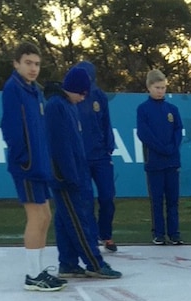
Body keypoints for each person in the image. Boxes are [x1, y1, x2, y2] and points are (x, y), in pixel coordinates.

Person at [45, 66, 122, 280]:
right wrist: (70, 176)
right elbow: (59, 147)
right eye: (82, 93)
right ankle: (94, 262)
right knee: (79, 220)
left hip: (74, 171)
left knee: (64, 220)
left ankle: (68, 263)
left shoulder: (68, 104)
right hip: (67, 177)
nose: (83, 98)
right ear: (74, 89)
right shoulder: (56, 107)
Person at [1, 42, 65, 291]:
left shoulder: (34, 90)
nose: (33, 68)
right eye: (28, 63)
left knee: (46, 216)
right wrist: (24, 159)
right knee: (36, 216)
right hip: (26, 166)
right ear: (16, 63)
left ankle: (39, 270)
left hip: (39, 165)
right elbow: (11, 130)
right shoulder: (12, 89)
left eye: (37, 64)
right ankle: (32, 275)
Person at [75, 61, 118, 253]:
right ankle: (90, 238)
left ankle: (106, 235)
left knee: (107, 197)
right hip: (81, 158)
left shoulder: (99, 95)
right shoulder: (71, 96)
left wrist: (109, 147)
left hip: (101, 156)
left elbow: (106, 122)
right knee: (86, 200)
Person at [137, 69, 183, 245]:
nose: (160, 91)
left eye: (163, 87)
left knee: (173, 200)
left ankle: (174, 233)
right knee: (157, 200)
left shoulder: (172, 109)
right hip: (154, 162)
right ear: (149, 87)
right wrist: (161, 148)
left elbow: (178, 130)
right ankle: (158, 233)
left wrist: (172, 146)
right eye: (157, 87)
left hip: (172, 161)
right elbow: (144, 133)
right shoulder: (143, 109)